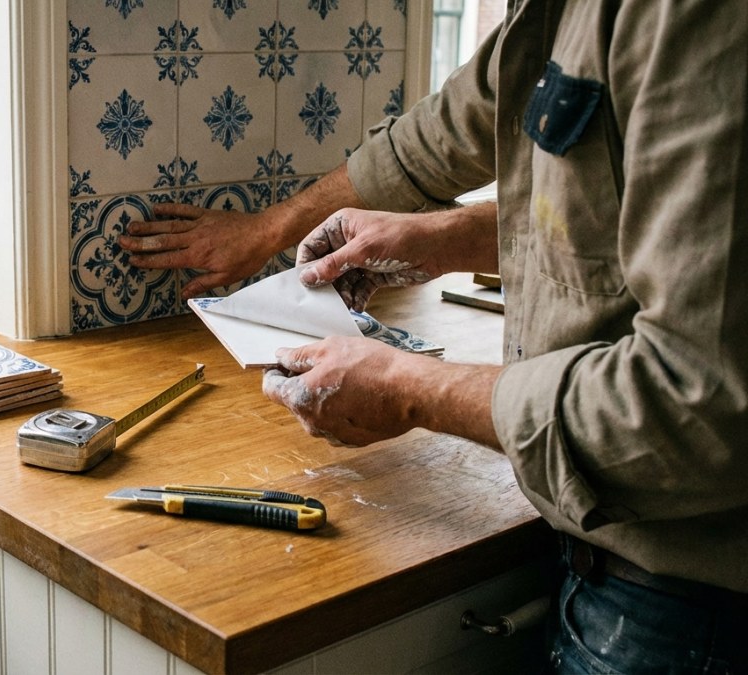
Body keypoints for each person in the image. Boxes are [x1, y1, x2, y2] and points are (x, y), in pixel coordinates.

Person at [118, 1, 748, 672]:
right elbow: (453, 129)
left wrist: (407, 389)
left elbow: (699, 407)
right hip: (603, 560)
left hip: (691, 611)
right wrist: (450, 236)